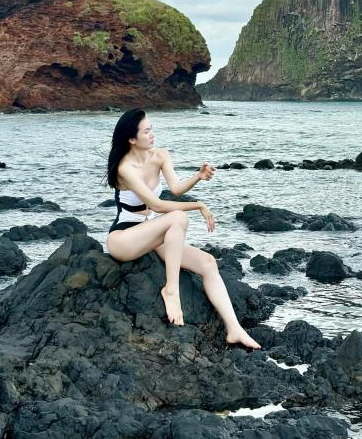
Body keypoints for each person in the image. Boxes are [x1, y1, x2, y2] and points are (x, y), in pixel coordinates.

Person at [105, 108, 260, 349]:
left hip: (151, 234)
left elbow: (175, 189)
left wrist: (198, 176)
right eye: (146, 132)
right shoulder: (125, 168)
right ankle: (172, 291)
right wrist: (198, 205)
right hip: (124, 239)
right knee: (177, 217)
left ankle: (234, 329)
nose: (152, 134)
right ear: (132, 139)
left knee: (208, 263)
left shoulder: (161, 155)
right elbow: (157, 205)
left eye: (152, 129)